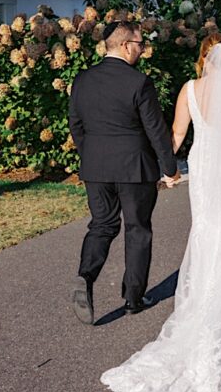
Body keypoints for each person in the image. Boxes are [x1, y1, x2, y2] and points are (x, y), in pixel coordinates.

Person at [101, 34, 221, 392]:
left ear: (203, 58)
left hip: (203, 171)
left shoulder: (187, 90)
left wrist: (162, 168)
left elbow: (176, 135)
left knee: (208, 233)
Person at [67, 21, 182, 323]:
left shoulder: (82, 80)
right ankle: (133, 297)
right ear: (125, 45)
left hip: (96, 166)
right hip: (135, 167)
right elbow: (156, 130)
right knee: (137, 228)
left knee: (102, 224)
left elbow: (76, 125)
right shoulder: (138, 82)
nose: (143, 49)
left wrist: (91, 155)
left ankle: (85, 275)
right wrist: (169, 168)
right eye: (140, 43)